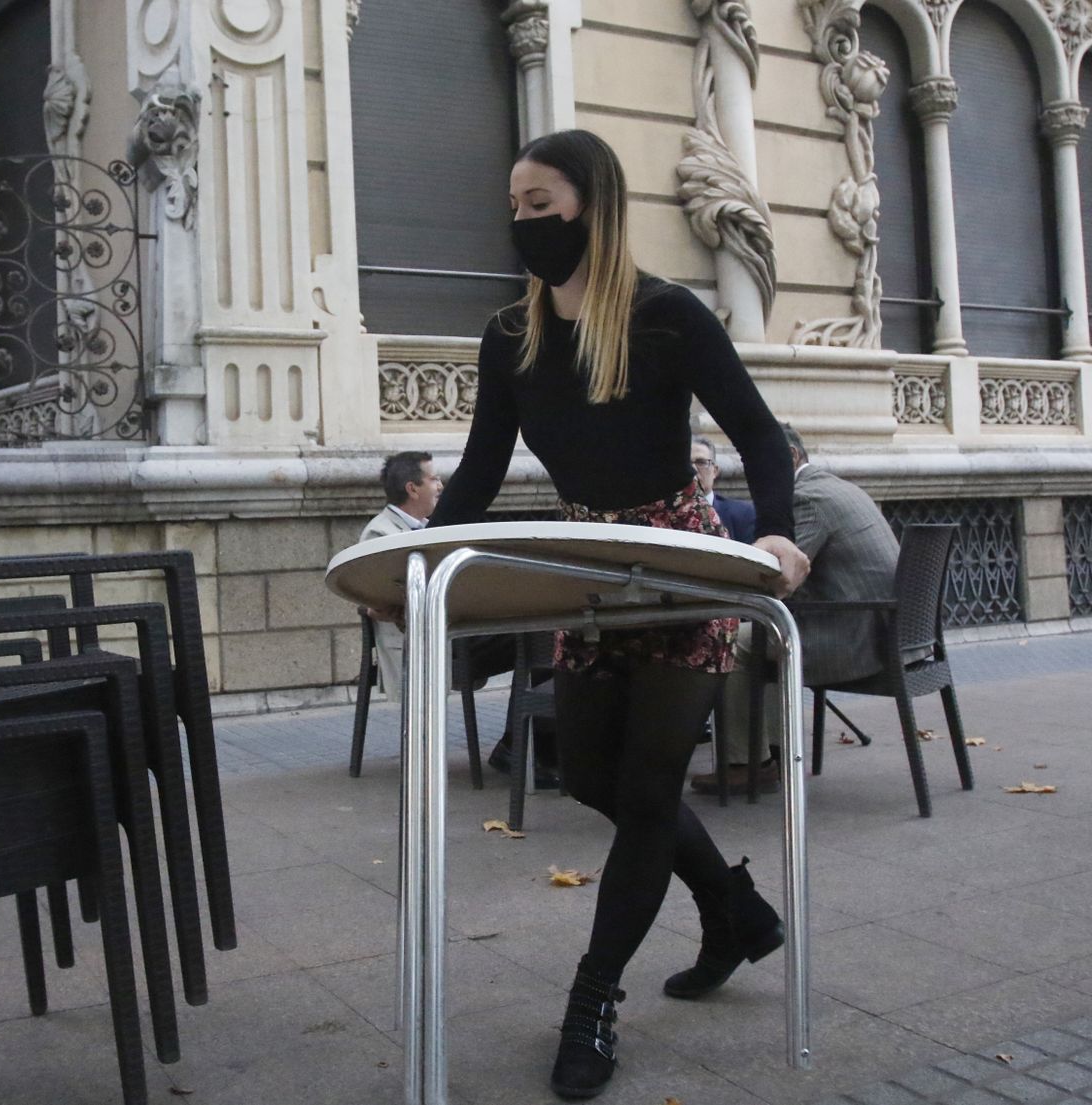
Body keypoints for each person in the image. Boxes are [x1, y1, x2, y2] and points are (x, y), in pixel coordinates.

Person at [425, 130, 810, 1100]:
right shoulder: (509, 336)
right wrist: (412, 557)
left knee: (644, 791)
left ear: (592, 206)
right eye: (515, 206)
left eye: (541, 204)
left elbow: (759, 434)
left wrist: (777, 534)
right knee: (590, 771)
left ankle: (592, 1000)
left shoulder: (667, 314)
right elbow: (474, 471)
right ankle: (730, 906)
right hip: (591, 570)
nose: (523, 223)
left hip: (683, 567)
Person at [690, 425, 902, 794]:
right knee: (764, 633)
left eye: (756, 464)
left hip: (853, 641)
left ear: (787, 457)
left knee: (732, 640)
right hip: (879, 631)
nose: (752, 475)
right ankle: (777, 752)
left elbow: (774, 579)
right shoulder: (834, 486)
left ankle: (746, 763)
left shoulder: (807, 499)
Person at [356, 452, 441, 697]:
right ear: (412, 489)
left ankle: (516, 731)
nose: (440, 486)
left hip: (442, 636)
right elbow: (379, 599)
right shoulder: (380, 534)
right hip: (415, 647)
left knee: (526, 638)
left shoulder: (429, 527)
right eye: (434, 479)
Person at [693, 435, 756, 544]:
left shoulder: (742, 515)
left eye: (701, 462)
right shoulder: (663, 515)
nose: (693, 469)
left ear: (715, 471)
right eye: (686, 463)